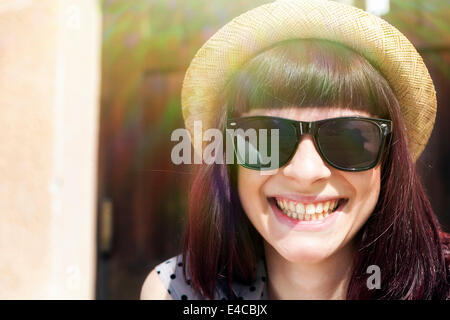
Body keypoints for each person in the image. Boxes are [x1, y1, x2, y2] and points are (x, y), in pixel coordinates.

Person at [141, 0, 450, 300]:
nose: (305, 173)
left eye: (349, 139)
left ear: (388, 159)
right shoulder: (174, 292)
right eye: (266, 138)